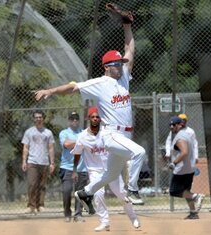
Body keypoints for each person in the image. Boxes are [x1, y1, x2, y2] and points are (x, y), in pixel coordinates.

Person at [35, 22, 146, 209]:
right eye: (116, 64)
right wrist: (51, 90)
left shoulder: (125, 77)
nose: (121, 66)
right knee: (139, 152)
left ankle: (85, 193)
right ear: (107, 67)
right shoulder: (100, 83)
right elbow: (73, 87)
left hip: (125, 134)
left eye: (121, 63)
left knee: (110, 175)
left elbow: (130, 50)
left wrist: (127, 26)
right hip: (112, 134)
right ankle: (133, 189)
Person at [72, 106, 140, 231]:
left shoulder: (107, 133)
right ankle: (104, 222)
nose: (95, 119)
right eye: (93, 117)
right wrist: (75, 170)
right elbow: (77, 153)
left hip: (111, 169)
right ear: (89, 118)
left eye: (97, 117)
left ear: (101, 119)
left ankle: (133, 217)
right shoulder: (82, 136)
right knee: (98, 194)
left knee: (122, 194)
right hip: (95, 170)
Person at [168, 116, 205, 219]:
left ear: (180, 125)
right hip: (189, 168)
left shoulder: (180, 137)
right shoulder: (186, 134)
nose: (171, 127)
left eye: (174, 125)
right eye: (170, 125)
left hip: (181, 169)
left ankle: (196, 196)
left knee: (174, 191)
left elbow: (184, 152)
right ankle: (193, 213)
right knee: (186, 191)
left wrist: (174, 163)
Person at [59, 111, 92, 222]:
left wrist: (77, 142)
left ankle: (78, 214)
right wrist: (80, 141)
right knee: (67, 191)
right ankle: (67, 213)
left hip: (81, 168)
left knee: (80, 193)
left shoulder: (83, 132)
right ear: (69, 121)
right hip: (67, 167)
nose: (74, 121)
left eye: (76, 119)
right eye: (72, 119)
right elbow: (67, 145)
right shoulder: (64, 133)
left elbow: (89, 144)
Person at [21, 110, 55, 214]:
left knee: (42, 185)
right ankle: (31, 206)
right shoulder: (29, 132)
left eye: (40, 117)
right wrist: (24, 161)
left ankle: (40, 205)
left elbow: (51, 148)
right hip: (32, 162)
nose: (38, 119)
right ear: (33, 119)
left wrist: (52, 163)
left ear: (43, 119)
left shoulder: (48, 132)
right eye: (36, 117)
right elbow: (25, 147)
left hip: (44, 162)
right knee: (32, 184)